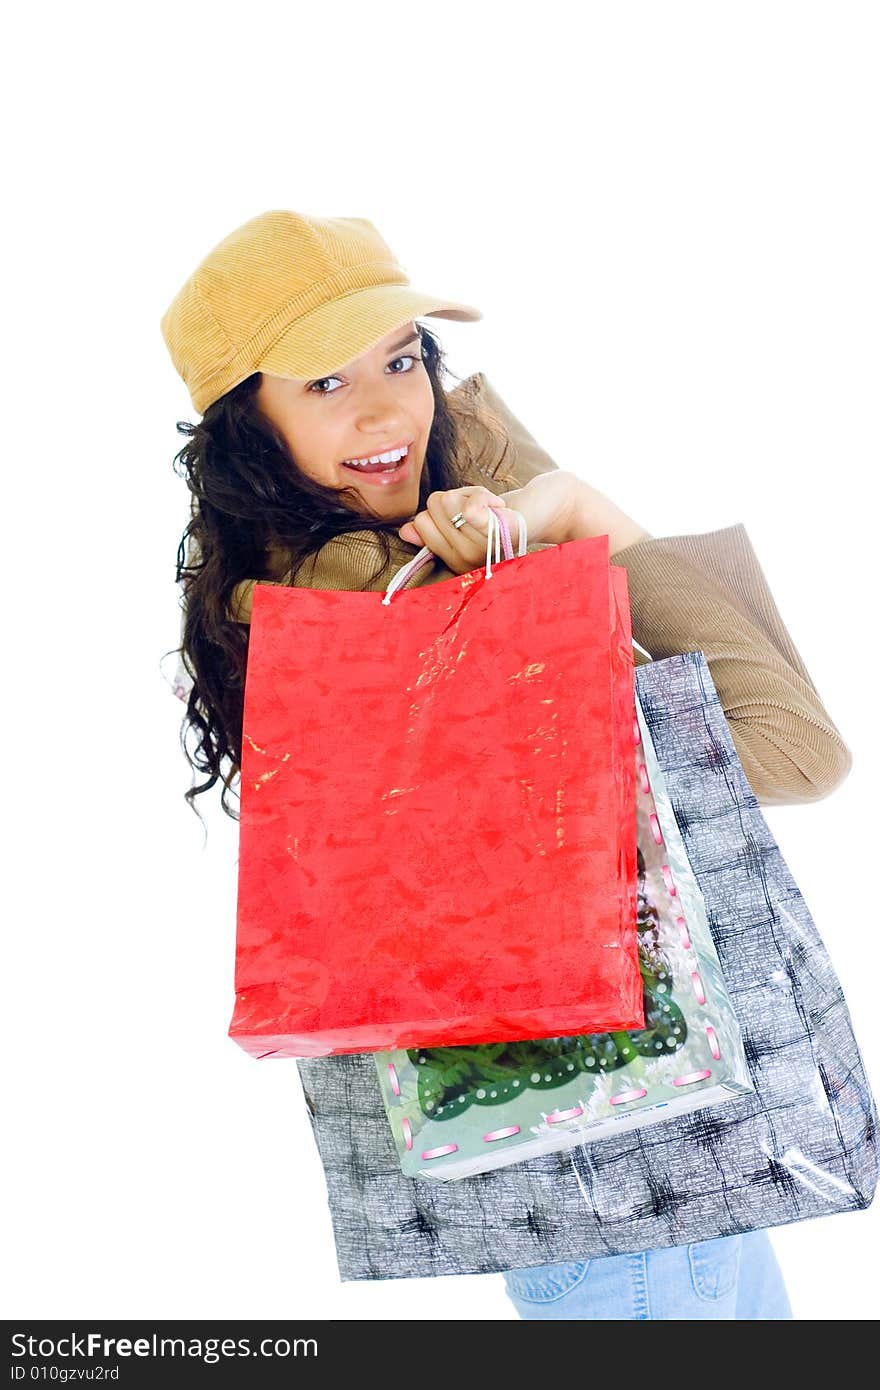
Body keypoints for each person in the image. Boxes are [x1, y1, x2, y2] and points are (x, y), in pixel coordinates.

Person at [160, 209, 852, 1319]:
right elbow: (789, 748)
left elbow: (795, 753)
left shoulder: (349, 564)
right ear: (248, 421)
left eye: (401, 357)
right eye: (324, 383)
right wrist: (566, 506)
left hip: (618, 1152)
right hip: (617, 1160)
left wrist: (488, 480)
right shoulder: (357, 600)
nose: (386, 406)